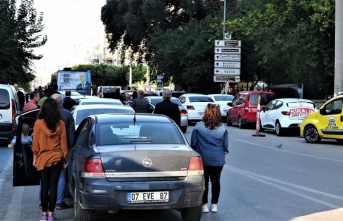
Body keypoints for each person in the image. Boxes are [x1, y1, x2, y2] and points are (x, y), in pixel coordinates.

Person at [32, 98, 68, 221]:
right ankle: (51, 215)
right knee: (53, 187)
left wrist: (35, 157)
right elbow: (64, 145)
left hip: (43, 158)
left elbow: (35, 144)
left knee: (44, 187)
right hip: (57, 158)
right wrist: (65, 159)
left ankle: (44, 215)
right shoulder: (61, 124)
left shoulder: (38, 124)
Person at [190, 103, 229, 213]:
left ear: (205, 112)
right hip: (218, 159)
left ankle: (204, 205)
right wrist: (223, 152)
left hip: (202, 159)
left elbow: (193, 143)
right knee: (216, 181)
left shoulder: (198, 126)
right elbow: (225, 145)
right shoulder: (222, 127)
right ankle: (214, 205)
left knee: (204, 182)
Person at [51, 93, 75, 210]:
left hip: (45, 150)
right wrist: (69, 151)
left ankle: (42, 201)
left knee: (44, 176)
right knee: (61, 175)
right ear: (62, 102)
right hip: (60, 149)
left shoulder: (43, 114)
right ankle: (60, 202)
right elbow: (70, 136)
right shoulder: (67, 114)